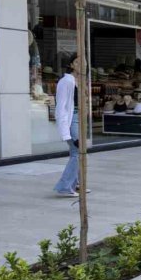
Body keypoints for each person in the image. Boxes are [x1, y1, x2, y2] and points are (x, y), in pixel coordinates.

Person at [54, 54, 84, 197]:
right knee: (77, 152)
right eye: (77, 62)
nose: (81, 64)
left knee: (78, 153)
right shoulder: (66, 82)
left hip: (79, 119)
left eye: (83, 62)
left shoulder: (80, 81)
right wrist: (65, 131)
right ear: (71, 65)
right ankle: (65, 186)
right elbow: (61, 107)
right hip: (72, 120)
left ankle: (75, 184)